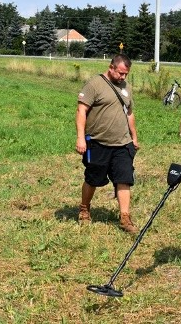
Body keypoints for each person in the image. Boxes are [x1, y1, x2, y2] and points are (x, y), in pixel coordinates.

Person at [75, 54, 140, 234]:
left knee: (124, 179)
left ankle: (125, 218)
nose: (123, 77)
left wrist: (134, 137)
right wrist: (81, 138)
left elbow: (129, 113)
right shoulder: (94, 84)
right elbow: (81, 111)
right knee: (93, 178)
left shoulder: (126, 87)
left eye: (126, 74)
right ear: (111, 67)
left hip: (123, 143)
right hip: (98, 142)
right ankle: (84, 209)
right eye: (120, 73)